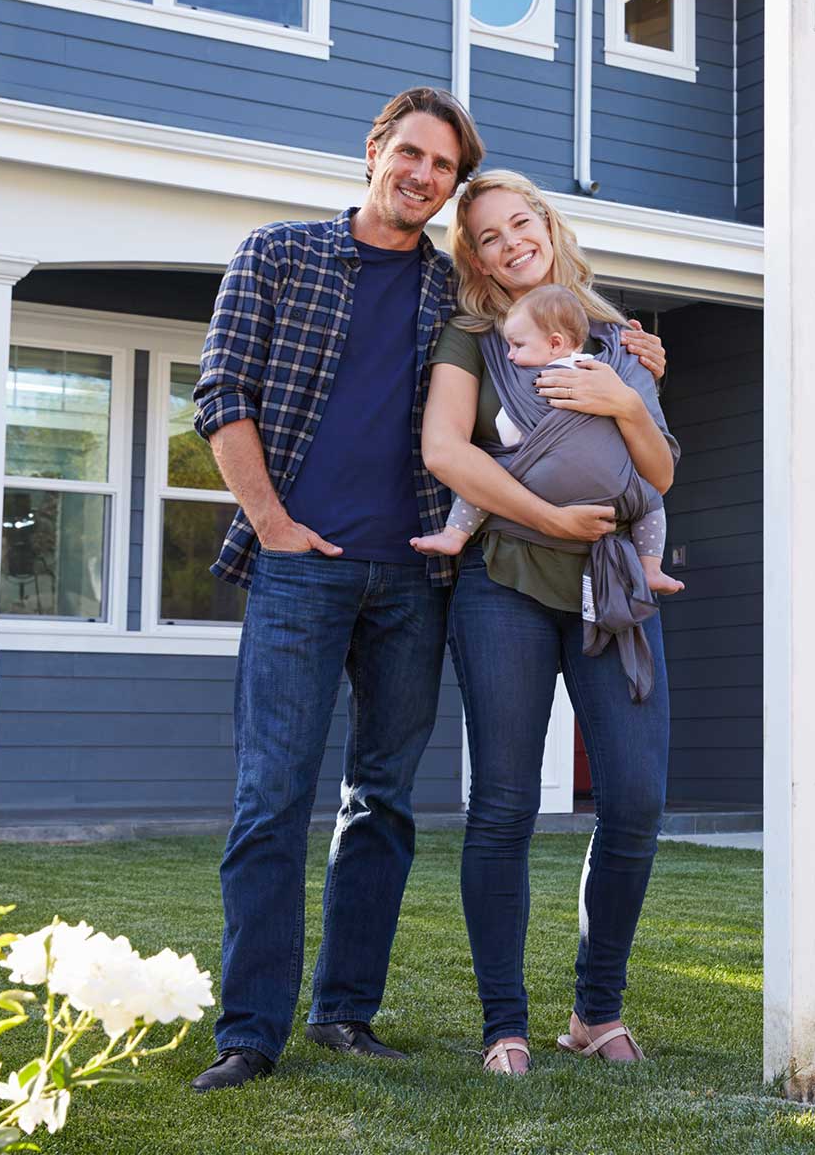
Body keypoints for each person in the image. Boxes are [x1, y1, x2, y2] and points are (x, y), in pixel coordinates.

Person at [185, 89, 665, 1093]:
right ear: (375, 151)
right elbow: (222, 391)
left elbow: (554, 320)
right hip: (299, 566)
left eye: (441, 166)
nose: (422, 174)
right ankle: (251, 1029)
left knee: (382, 801)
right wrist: (272, 522)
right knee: (272, 795)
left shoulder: (459, 293)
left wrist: (631, 353)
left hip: (416, 577)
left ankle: (346, 1012)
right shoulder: (278, 254)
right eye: (411, 153)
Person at [419, 169, 676, 1074]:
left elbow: (661, 473)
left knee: (637, 798)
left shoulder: (618, 340)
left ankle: (595, 1013)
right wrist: (545, 517)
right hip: (508, 584)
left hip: (610, 588)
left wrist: (622, 400)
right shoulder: (471, 340)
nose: (508, 243)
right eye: (487, 236)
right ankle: (505, 1027)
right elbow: (446, 451)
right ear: (474, 256)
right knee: (503, 803)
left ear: (547, 224)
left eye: (519, 223)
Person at [411, 282, 685, 600]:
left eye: (517, 346)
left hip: (560, 509)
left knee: (483, 482)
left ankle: (453, 535)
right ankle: (651, 567)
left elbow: (508, 427)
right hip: (572, 522)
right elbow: (656, 479)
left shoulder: (538, 377)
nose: (511, 355)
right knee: (651, 504)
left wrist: (628, 405)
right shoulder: (603, 368)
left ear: (554, 343)